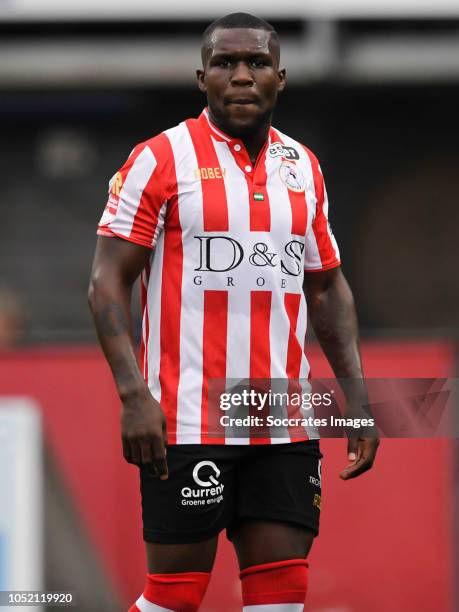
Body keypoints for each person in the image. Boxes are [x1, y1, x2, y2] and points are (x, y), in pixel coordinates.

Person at [88, 12, 379, 612]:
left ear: (280, 78)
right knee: (174, 598)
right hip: (186, 420)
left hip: (282, 417)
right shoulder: (159, 159)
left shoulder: (305, 168)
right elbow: (106, 283)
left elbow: (327, 288)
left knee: (281, 596)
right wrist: (134, 396)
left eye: (257, 64)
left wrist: (357, 398)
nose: (241, 76)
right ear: (203, 78)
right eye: (225, 64)